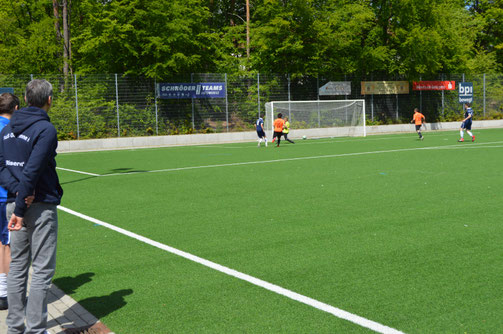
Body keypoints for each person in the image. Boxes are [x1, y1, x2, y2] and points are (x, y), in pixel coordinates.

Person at [0, 79, 63, 334]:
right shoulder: (45, 130)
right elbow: (32, 170)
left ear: (25, 100)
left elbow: (2, 167)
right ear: (49, 100)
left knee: (17, 267)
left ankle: (15, 327)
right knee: (41, 270)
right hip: (35, 206)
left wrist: (16, 194)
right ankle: (36, 329)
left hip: (16, 204)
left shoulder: (6, 130)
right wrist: (22, 202)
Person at [0, 93, 19, 311]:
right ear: (15, 108)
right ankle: (5, 293)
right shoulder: (9, 131)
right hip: (5, 195)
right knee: (8, 244)